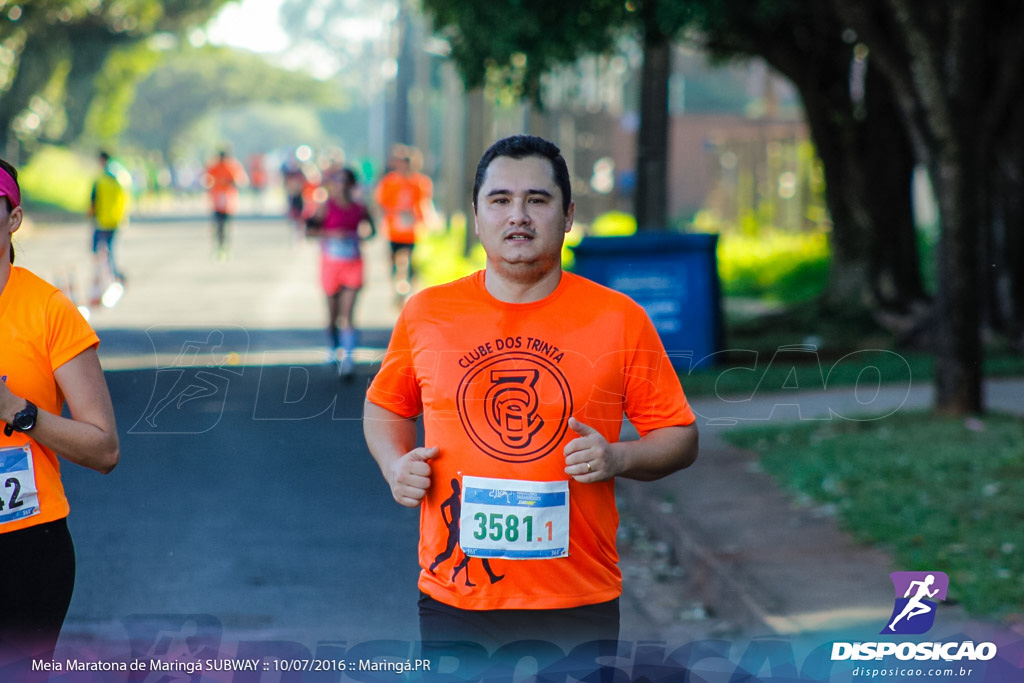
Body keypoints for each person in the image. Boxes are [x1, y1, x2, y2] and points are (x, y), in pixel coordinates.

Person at [362, 135, 699, 655]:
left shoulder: (619, 319)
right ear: (476, 217)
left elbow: (680, 435)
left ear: (567, 215)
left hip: (577, 598)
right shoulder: (427, 314)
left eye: (536, 200)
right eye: (500, 200)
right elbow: (385, 405)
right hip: (456, 596)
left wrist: (619, 456)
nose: (517, 215)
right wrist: (394, 465)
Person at [0, 158, 120, 664]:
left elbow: (104, 448)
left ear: (13, 218)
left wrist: (18, 411)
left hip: (24, 544)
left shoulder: (48, 310)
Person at [305, 167, 376, 378]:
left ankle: (349, 358)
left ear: (352, 185)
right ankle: (333, 349)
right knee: (332, 316)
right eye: (338, 181)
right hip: (331, 264)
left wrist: (359, 236)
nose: (341, 186)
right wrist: (331, 234)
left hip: (353, 263)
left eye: (346, 182)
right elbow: (309, 231)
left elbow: (372, 231)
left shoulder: (360, 208)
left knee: (348, 315)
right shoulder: (325, 208)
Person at [372, 145, 434, 304]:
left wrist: (421, 217)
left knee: (410, 260)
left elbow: (424, 203)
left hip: (411, 229)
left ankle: (409, 290)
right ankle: (397, 287)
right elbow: (381, 203)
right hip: (394, 228)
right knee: (394, 260)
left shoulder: (419, 182)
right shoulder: (390, 181)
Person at [88, 150, 130, 306]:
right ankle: (113, 276)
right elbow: (124, 199)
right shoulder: (120, 179)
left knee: (97, 250)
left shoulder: (100, 180)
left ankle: (100, 279)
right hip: (115, 220)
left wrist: (90, 213)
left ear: (101, 161)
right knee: (110, 250)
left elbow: (94, 200)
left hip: (101, 221)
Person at [203, 149, 248, 260]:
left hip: (228, 202)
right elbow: (207, 179)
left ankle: (225, 247)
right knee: (219, 225)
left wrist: (228, 182)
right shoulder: (215, 166)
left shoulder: (232, 166)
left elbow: (240, 181)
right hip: (218, 201)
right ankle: (220, 247)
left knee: (225, 226)